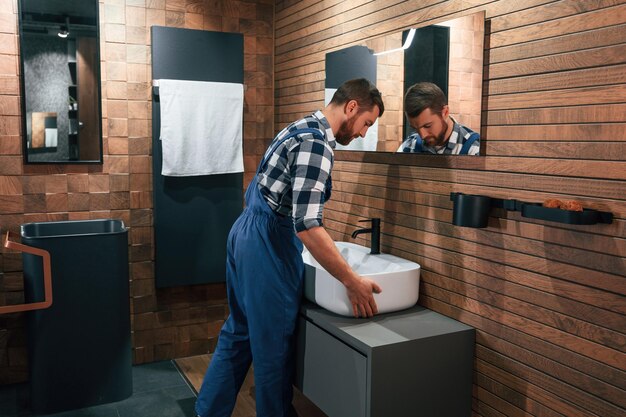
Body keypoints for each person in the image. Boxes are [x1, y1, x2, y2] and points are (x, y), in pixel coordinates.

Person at [195, 78, 385, 417]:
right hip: (268, 244)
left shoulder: (301, 126)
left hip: (246, 233)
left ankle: (207, 412)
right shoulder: (317, 143)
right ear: (352, 107)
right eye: (367, 123)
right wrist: (351, 280)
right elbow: (307, 226)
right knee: (272, 350)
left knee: (238, 334)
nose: (363, 133)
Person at [397, 82, 480, 155]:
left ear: (445, 112)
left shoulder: (474, 149)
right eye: (415, 128)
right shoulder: (409, 147)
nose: (422, 136)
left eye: (427, 126)